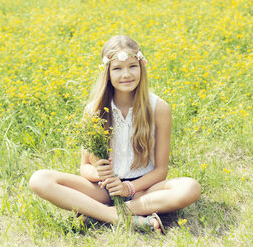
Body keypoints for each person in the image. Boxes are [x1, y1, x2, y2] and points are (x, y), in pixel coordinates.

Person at [29, 35, 201, 233]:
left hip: (142, 191)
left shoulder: (159, 108)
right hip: (104, 189)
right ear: (107, 73)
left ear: (141, 67)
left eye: (132, 66)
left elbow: (161, 170)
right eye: (117, 68)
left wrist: (129, 189)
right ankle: (116, 216)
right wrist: (98, 173)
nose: (126, 74)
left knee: (190, 187)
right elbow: (85, 167)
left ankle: (102, 213)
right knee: (39, 179)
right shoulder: (94, 110)